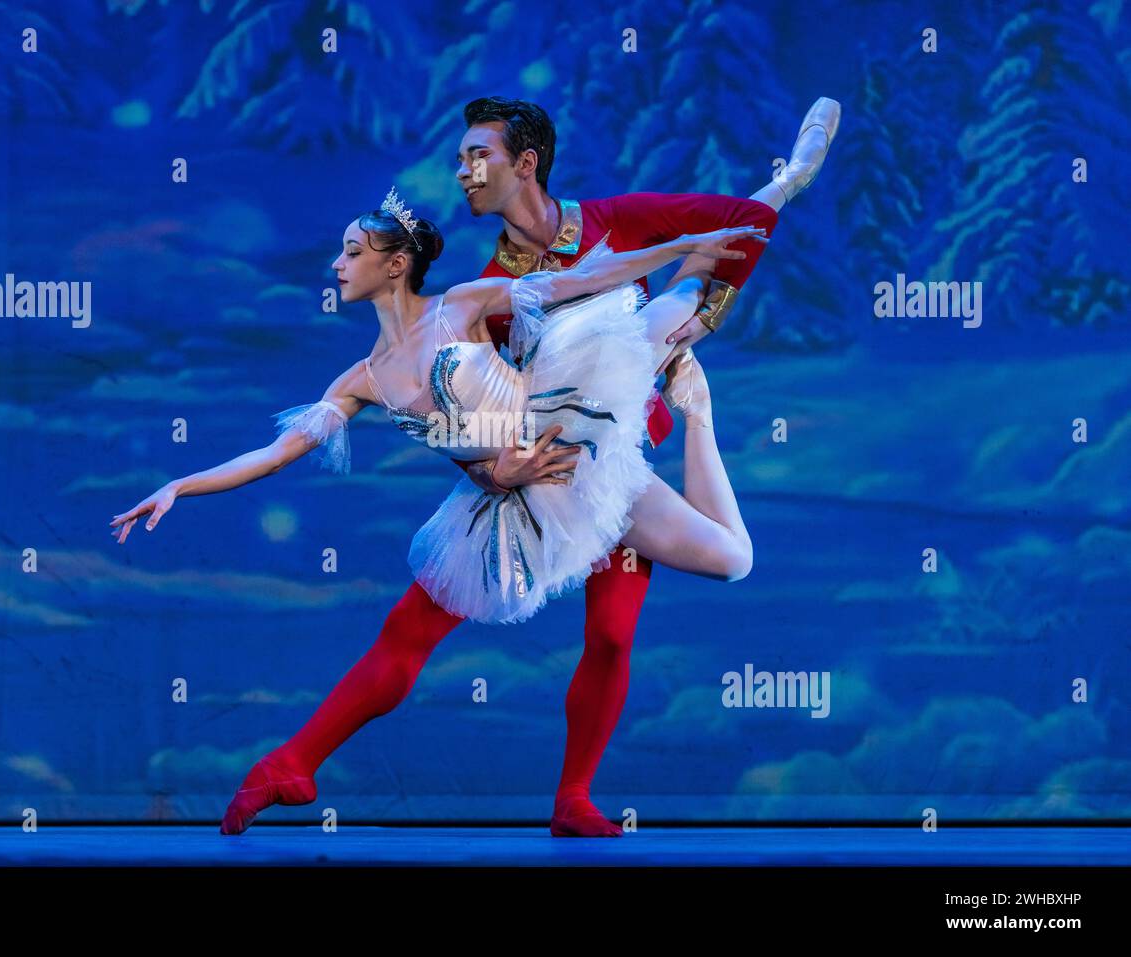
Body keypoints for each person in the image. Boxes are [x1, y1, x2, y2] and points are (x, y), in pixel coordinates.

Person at [110, 96, 841, 836]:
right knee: (414, 626)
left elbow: (696, 235)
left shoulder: (592, 229)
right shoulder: (473, 296)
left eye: (476, 156)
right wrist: (493, 474)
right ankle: (290, 763)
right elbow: (458, 417)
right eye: (459, 158)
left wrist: (768, 200)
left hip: (609, 444)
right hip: (537, 468)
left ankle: (573, 799)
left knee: (615, 631)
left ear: (524, 163)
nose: (462, 171)